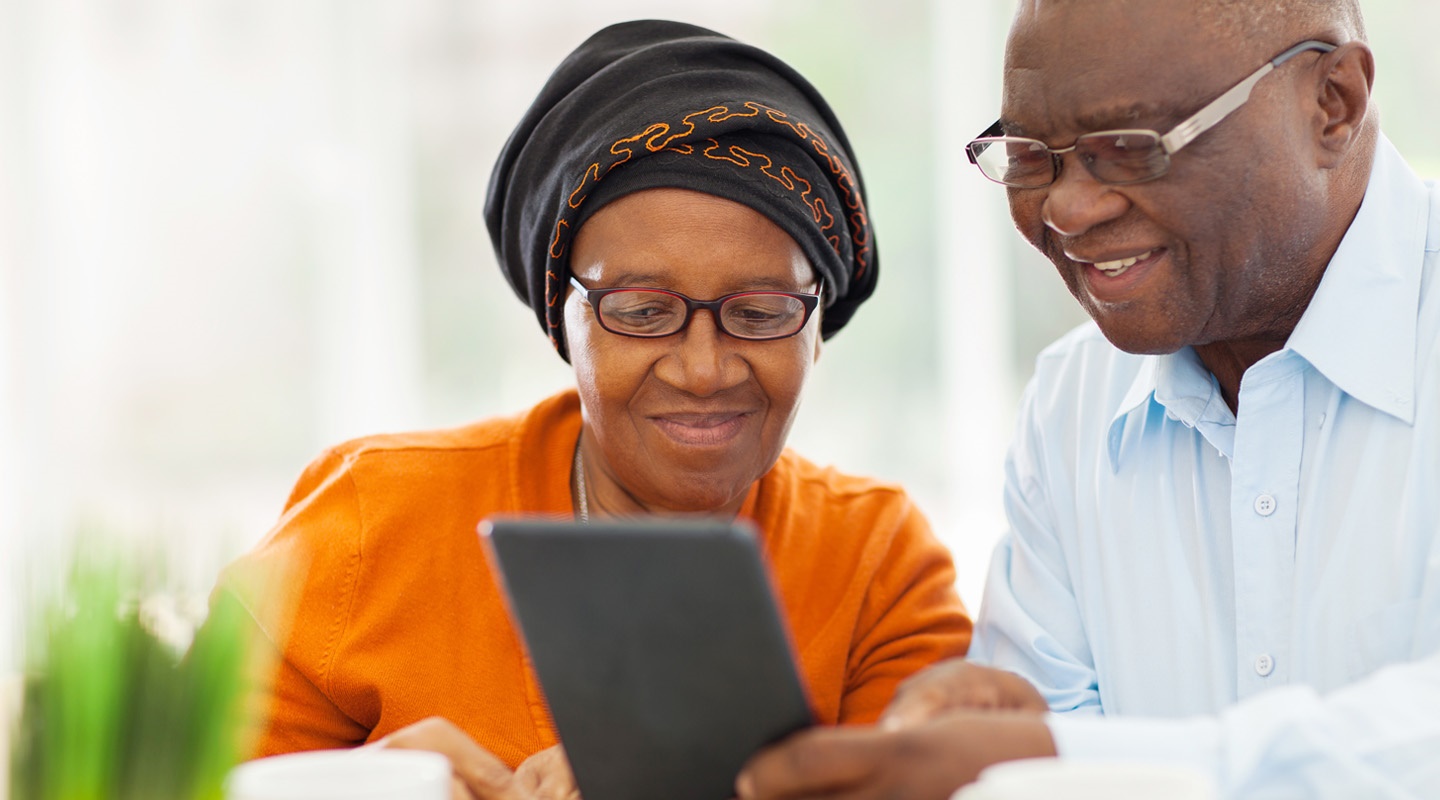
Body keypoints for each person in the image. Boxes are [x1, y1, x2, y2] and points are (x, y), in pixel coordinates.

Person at [213, 18, 971, 800]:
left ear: (818, 328)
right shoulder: (370, 523)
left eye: (762, 310)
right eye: (642, 311)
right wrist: (374, 790)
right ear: (561, 323)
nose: (704, 369)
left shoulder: (878, 566)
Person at [736, 0, 1440, 797]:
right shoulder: (1074, 402)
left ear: (1332, 103)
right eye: (1032, 157)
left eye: (1130, 149)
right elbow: (1035, 747)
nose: (1067, 210)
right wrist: (991, 742)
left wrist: (1063, 758)